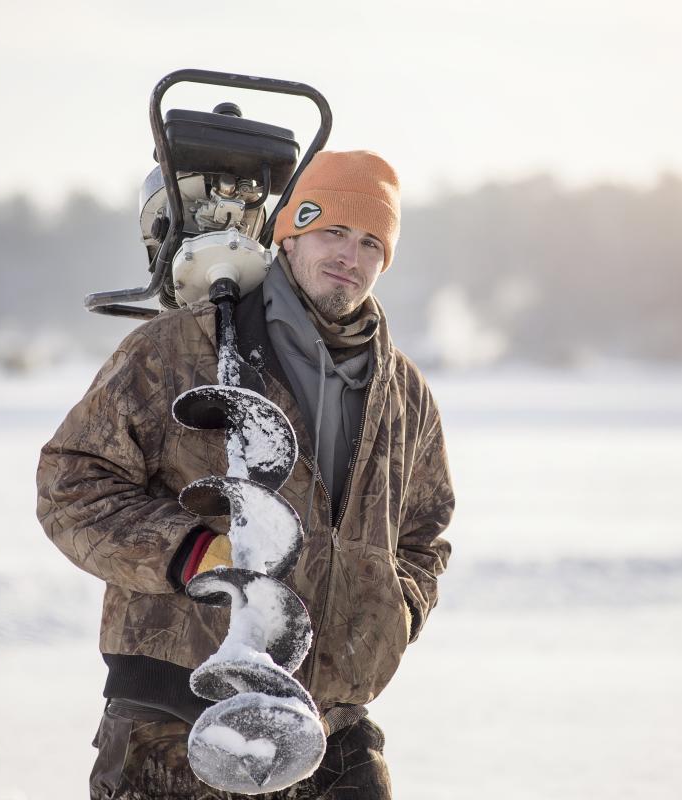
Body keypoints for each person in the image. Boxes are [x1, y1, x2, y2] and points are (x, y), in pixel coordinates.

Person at [37, 150, 455, 799]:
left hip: (332, 728)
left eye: (372, 241)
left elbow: (425, 533)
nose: (350, 254)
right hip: (176, 725)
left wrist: (392, 611)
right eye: (333, 232)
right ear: (289, 233)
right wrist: (193, 553)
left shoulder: (403, 392)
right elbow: (71, 487)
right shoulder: (177, 350)